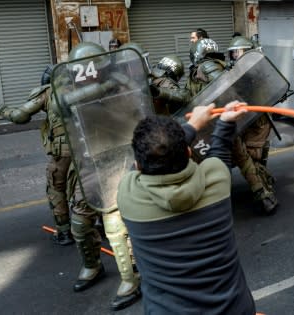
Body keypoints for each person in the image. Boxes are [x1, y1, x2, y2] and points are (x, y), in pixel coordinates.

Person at [117, 101, 256, 315]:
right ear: (189, 152)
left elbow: (141, 164)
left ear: (138, 166)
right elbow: (219, 152)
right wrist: (224, 123)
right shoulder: (217, 179)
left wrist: (192, 126)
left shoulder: (128, 195)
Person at [60, 42, 141, 311]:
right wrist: (96, 90)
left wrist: (107, 90)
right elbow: (63, 105)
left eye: (88, 70)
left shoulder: (121, 85)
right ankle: (92, 265)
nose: (84, 75)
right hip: (89, 166)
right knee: (80, 224)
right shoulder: (71, 90)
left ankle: (131, 278)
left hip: (118, 161)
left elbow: (130, 115)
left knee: (115, 228)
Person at [0, 65, 74, 246]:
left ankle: (64, 232)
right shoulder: (86, 88)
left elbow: (20, 116)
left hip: (64, 152)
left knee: (56, 187)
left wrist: (2, 109)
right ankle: (99, 223)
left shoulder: (48, 92)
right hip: (90, 146)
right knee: (92, 185)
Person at [227, 36, 278, 213]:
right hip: (251, 120)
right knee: (252, 157)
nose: (235, 57)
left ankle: (264, 194)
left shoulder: (252, 72)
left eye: (238, 52)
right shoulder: (246, 71)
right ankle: (265, 184)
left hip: (256, 122)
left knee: (248, 157)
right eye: (233, 53)